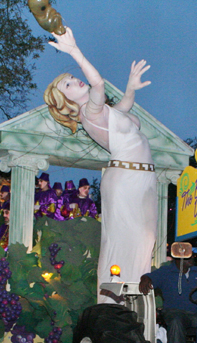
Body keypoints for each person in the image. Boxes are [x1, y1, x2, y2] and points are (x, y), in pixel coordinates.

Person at [45, 27, 157, 301]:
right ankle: (113, 303)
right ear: (66, 101)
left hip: (143, 178)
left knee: (145, 241)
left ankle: (136, 303)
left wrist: (130, 88)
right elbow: (98, 85)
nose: (75, 81)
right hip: (126, 179)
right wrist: (74, 51)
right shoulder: (89, 111)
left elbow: (123, 108)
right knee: (125, 243)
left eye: (72, 78)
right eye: (68, 85)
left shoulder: (101, 112)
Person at [139, 249, 197, 343]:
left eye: (193, 256)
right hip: (175, 312)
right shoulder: (166, 271)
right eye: (188, 256)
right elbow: (148, 277)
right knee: (176, 321)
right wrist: (145, 279)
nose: (192, 258)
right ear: (178, 258)